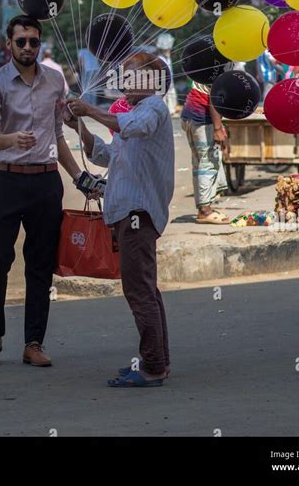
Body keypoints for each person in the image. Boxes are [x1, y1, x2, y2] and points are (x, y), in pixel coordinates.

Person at [0, 15, 99, 368]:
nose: (28, 47)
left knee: (40, 264)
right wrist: (12, 139)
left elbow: (59, 135)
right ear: (9, 45)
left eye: (34, 41)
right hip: (6, 181)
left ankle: (34, 342)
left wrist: (80, 177)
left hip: (46, 184)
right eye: (21, 42)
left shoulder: (55, 81)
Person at [65, 52, 174, 388]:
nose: (123, 81)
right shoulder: (136, 111)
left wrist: (90, 111)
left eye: (130, 75)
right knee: (145, 290)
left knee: (139, 291)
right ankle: (157, 361)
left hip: (138, 214)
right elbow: (108, 154)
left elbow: (133, 128)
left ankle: (153, 366)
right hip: (129, 213)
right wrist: (80, 127)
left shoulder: (152, 108)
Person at [180, 81, 229, 224]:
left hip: (190, 114)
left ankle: (205, 206)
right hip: (202, 118)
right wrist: (218, 128)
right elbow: (214, 97)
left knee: (200, 162)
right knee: (208, 163)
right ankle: (205, 210)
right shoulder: (220, 65)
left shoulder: (209, 62)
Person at [156, 33, 178, 115]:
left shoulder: (167, 57)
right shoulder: (160, 58)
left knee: (170, 100)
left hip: (169, 84)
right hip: (163, 85)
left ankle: (170, 110)